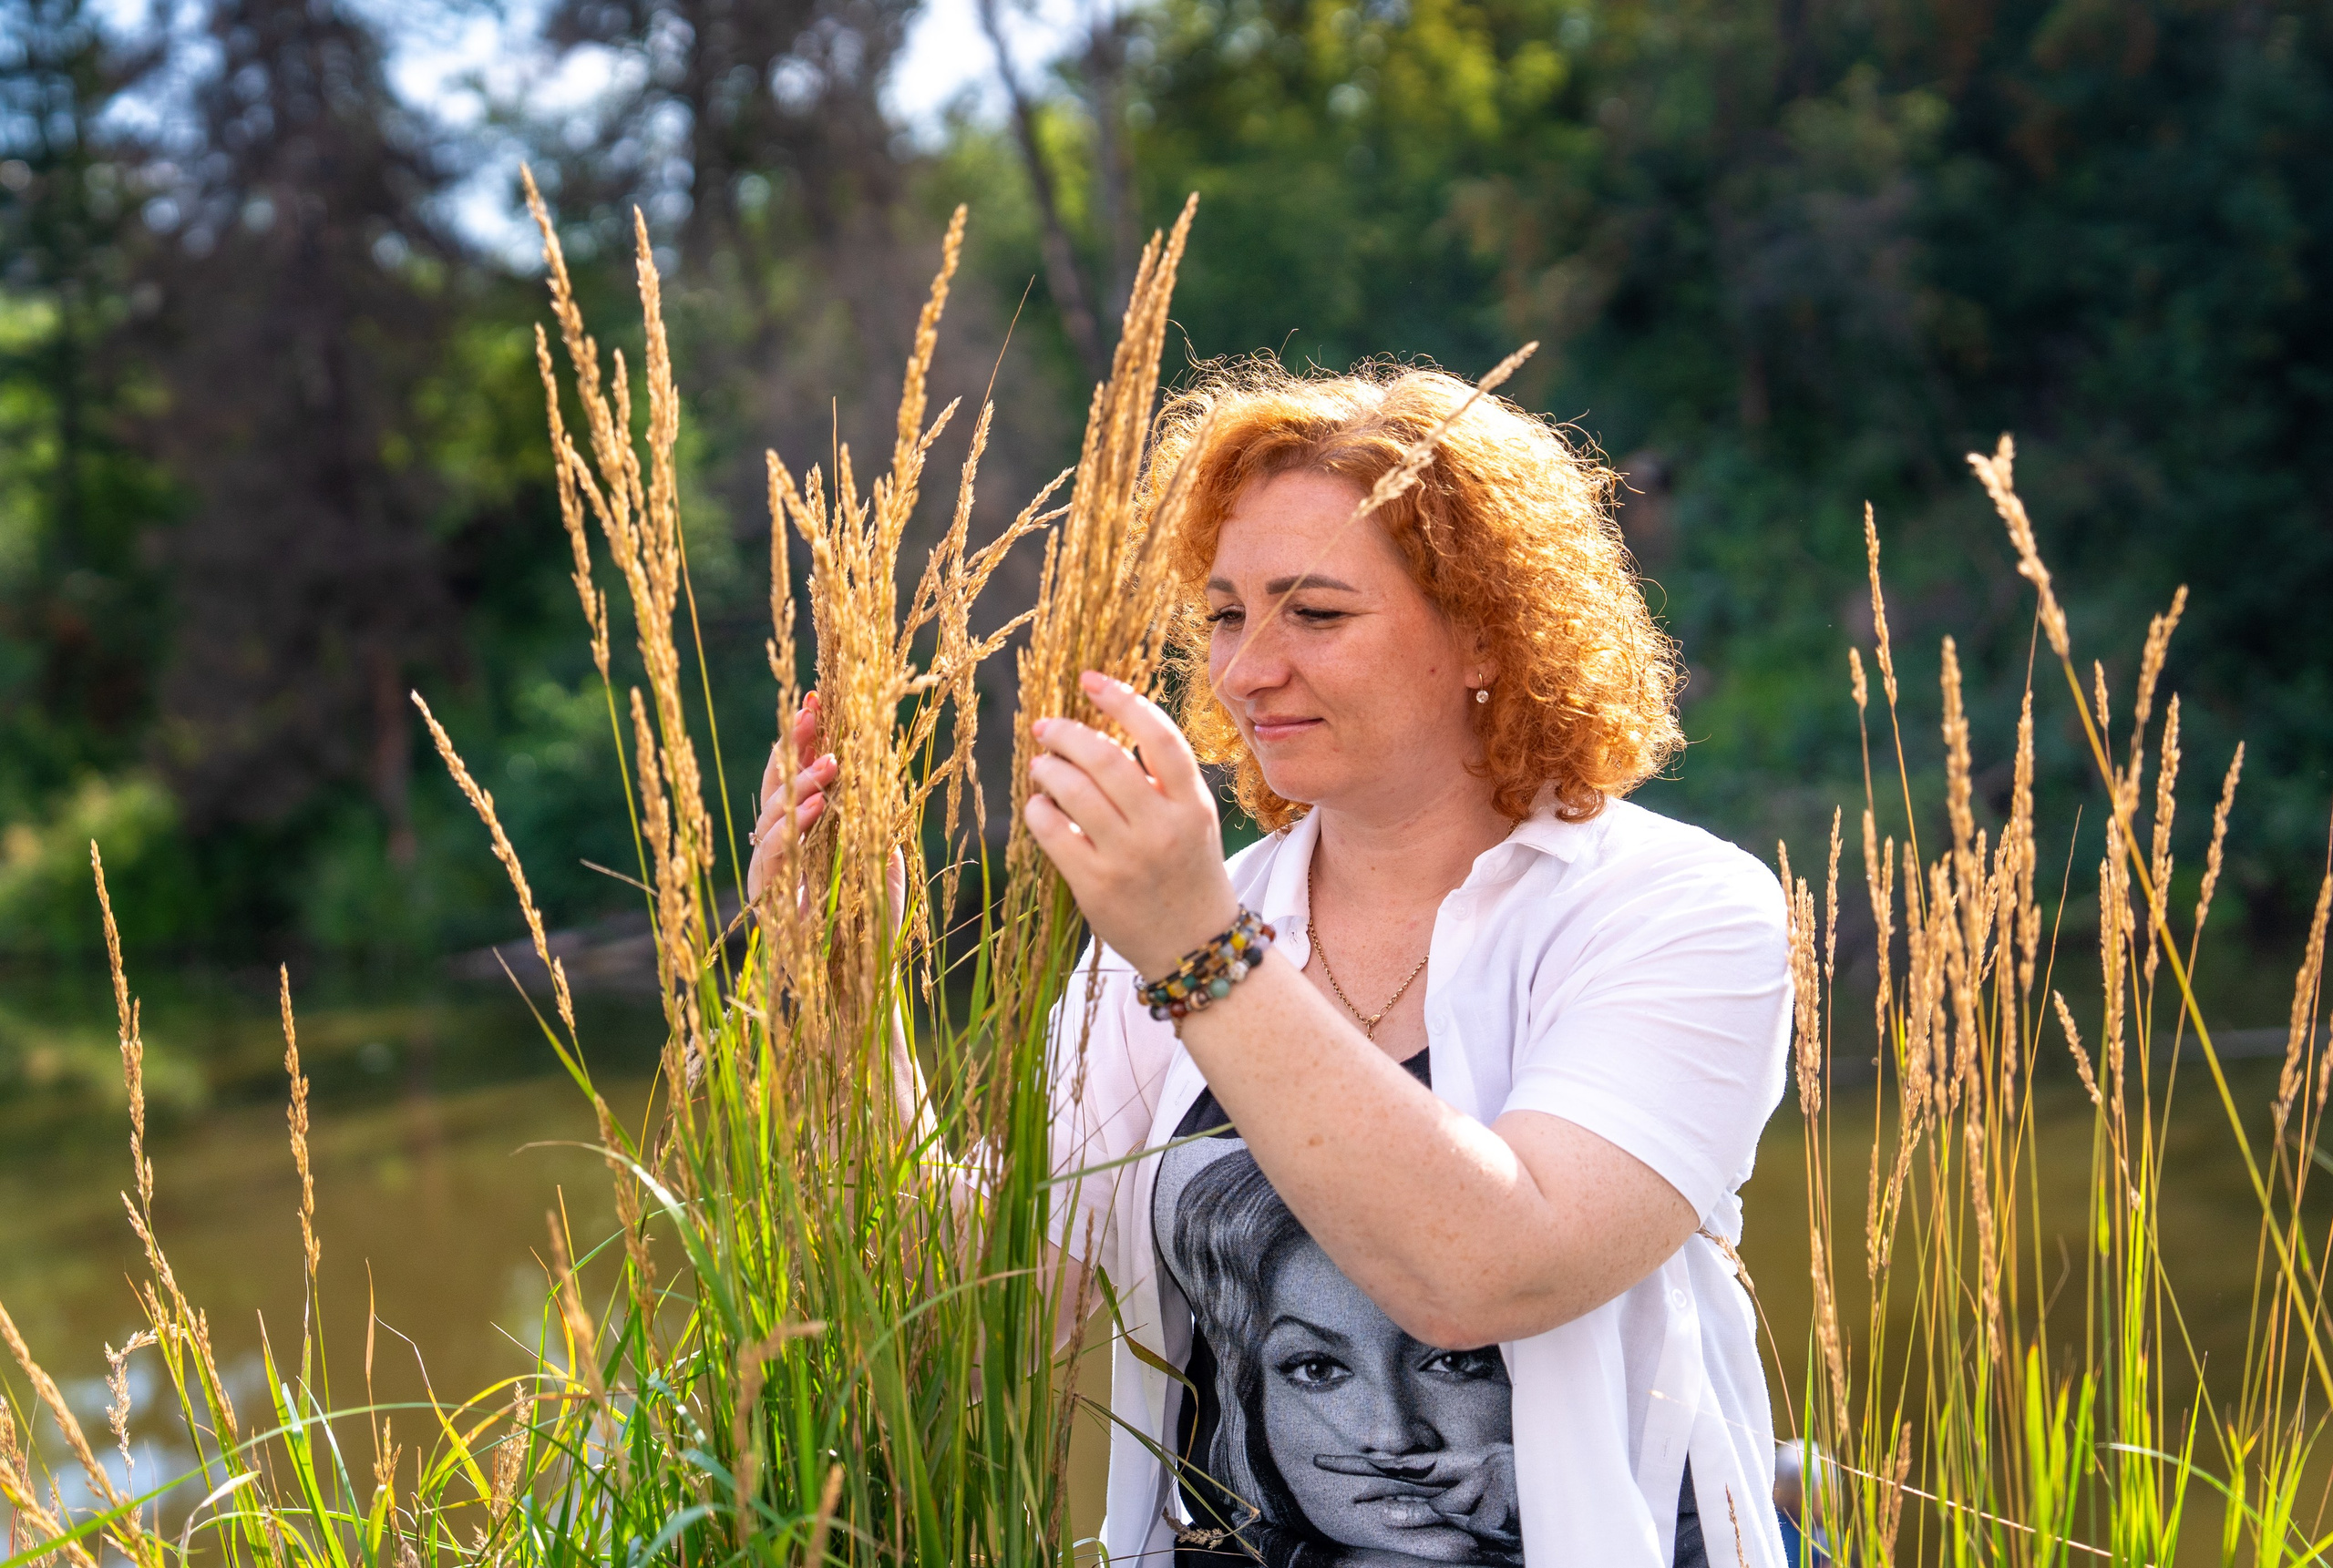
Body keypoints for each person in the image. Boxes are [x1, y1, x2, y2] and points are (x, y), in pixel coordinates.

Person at [749, 361, 1793, 1568]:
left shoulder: (1671, 908)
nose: (1246, 670)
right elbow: (1010, 1309)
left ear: (1488, 631)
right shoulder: (1187, 916)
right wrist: (841, 1004)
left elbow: (1497, 1271)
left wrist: (1197, 951)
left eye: (1316, 613)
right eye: (1228, 614)